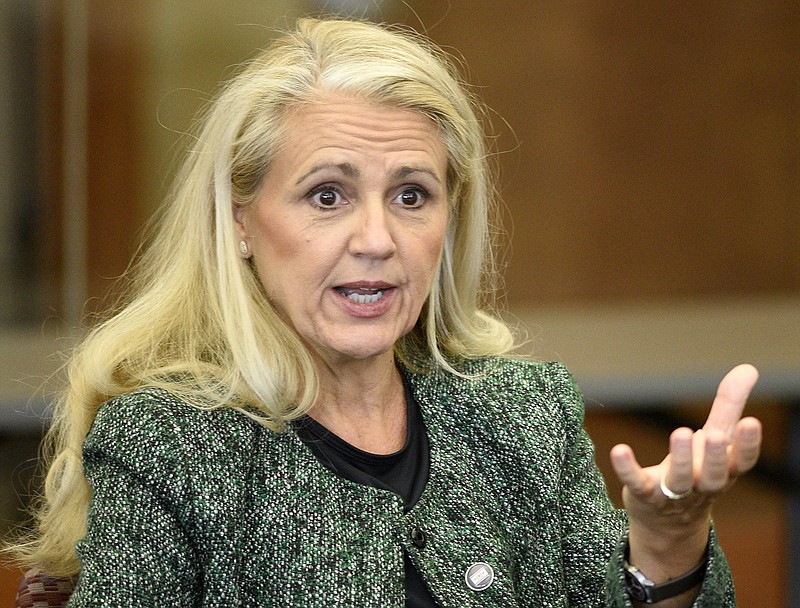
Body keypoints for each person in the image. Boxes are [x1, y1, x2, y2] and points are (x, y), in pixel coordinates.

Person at [8, 16, 761, 607]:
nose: (377, 240)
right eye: (326, 194)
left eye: (411, 195)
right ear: (239, 220)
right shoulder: (168, 445)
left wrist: (668, 541)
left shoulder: (525, 413)